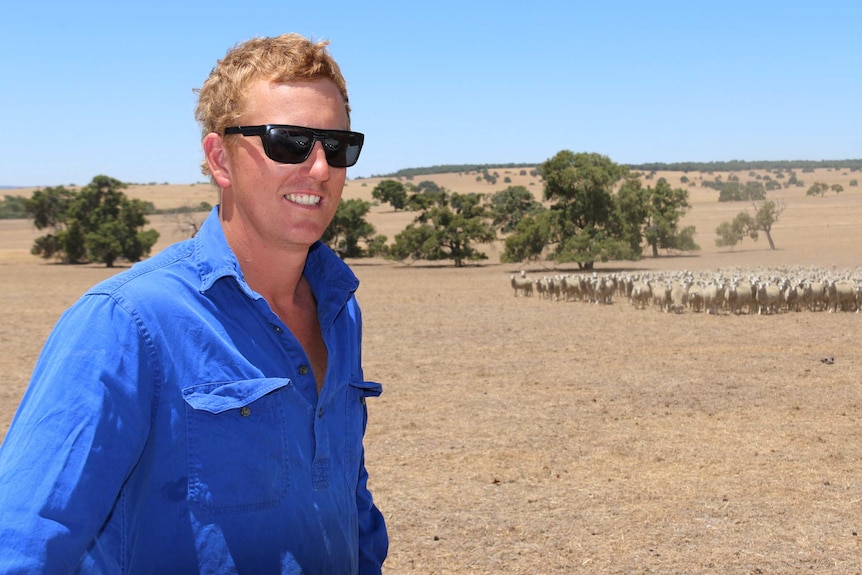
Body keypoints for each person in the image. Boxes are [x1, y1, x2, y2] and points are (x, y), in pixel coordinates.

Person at [0, 33, 388, 574]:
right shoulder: (127, 322)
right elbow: (22, 546)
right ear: (220, 158)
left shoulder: (339, 309)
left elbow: (345, 495)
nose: (320, 169)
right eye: (289, 142)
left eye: (337, 145)